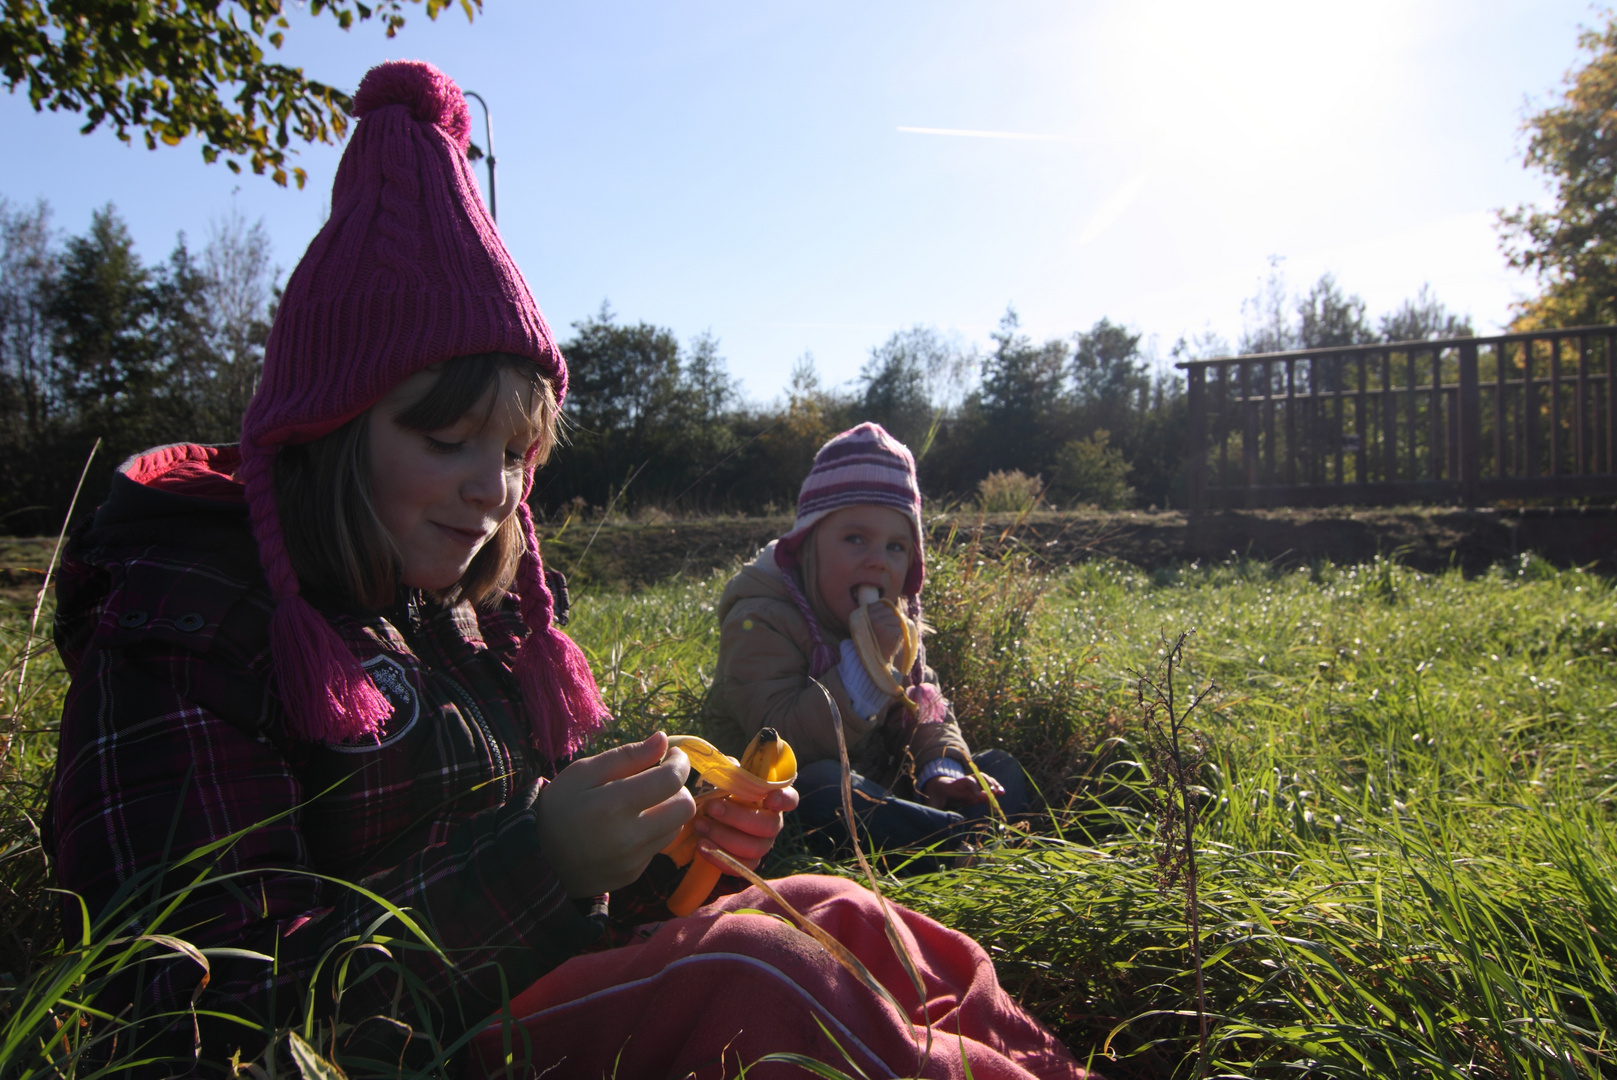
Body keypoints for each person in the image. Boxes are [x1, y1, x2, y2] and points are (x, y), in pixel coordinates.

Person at [44, 61, 1091, 1080]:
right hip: (411, 1044)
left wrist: (659, 863)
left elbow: (563, 908)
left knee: (844, 911)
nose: (491, 490)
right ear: (326, 428)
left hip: (520, 979)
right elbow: (198, 1019)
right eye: (445, 439)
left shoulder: (458, 611)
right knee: (763, 975)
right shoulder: (185, 630)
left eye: (512, 453)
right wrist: (542, 860)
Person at [705, 423, 1031, 870]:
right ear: (807, 546)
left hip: (879, 789)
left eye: (896, 546)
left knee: (1000, 767)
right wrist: (862, 667)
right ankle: (965, 850)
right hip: (773, 798)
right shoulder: (763, 614)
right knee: (819, 786)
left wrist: (940, 767)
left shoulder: (894, 620)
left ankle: (947, 836)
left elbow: (924, 695)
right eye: (855, 538)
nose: (877, 558)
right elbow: (781, 735)